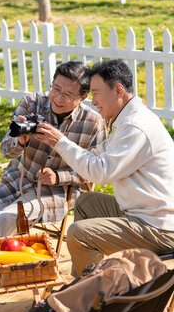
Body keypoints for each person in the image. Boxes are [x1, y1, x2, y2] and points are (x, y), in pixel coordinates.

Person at [33, 59, 174, 277]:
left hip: (161, 228)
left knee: (79, 233)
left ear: (118, 90)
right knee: (87, 203)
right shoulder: (126, 119)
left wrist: (60, 142)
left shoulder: (136, 126)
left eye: (97, 93)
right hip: (142, 213)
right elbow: (99, 154)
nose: (94, 101)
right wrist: (58, 140)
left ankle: (91, 299)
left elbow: (101, 174)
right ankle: (87, 279)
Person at [0, 61, 107, 239]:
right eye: (56, 89)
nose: (59, 98)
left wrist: (58, 176)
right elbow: (6, 151)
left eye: (68, 95)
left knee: (2, 221)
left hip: (55, 192)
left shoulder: (94, 123)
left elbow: (96, 172)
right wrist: (20, 141)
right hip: (16, 180)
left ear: (83, 98)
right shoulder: (31, 103)